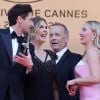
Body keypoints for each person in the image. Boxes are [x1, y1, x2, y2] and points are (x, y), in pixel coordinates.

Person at [0, 4, 33, 100]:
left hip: (16, 96)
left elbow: (33, 77)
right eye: (30, 20)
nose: (32, 24)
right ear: (20, 19)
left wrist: (30, 66)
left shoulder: (29, 46)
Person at [22, 16, 57, 100]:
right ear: (32, 31)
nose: (45, 30)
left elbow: (54, 86)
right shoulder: (24, 52)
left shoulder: (51, 54)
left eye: (46, 27)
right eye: (41, 27)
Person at [66, 21, 100, 100]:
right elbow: (88, 77)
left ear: (94, 34)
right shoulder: (88, 52)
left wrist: (74, 81)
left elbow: (96, 78)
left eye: (84, 30)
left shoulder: (92, 51)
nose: (80, 33)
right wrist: (78, 84)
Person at [49, 22, 82, 100]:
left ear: (66, 38)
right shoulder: (46, 59)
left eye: (57, 35)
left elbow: (76, 91)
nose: (53, 38)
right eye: (51, 35)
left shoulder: (75, 59)